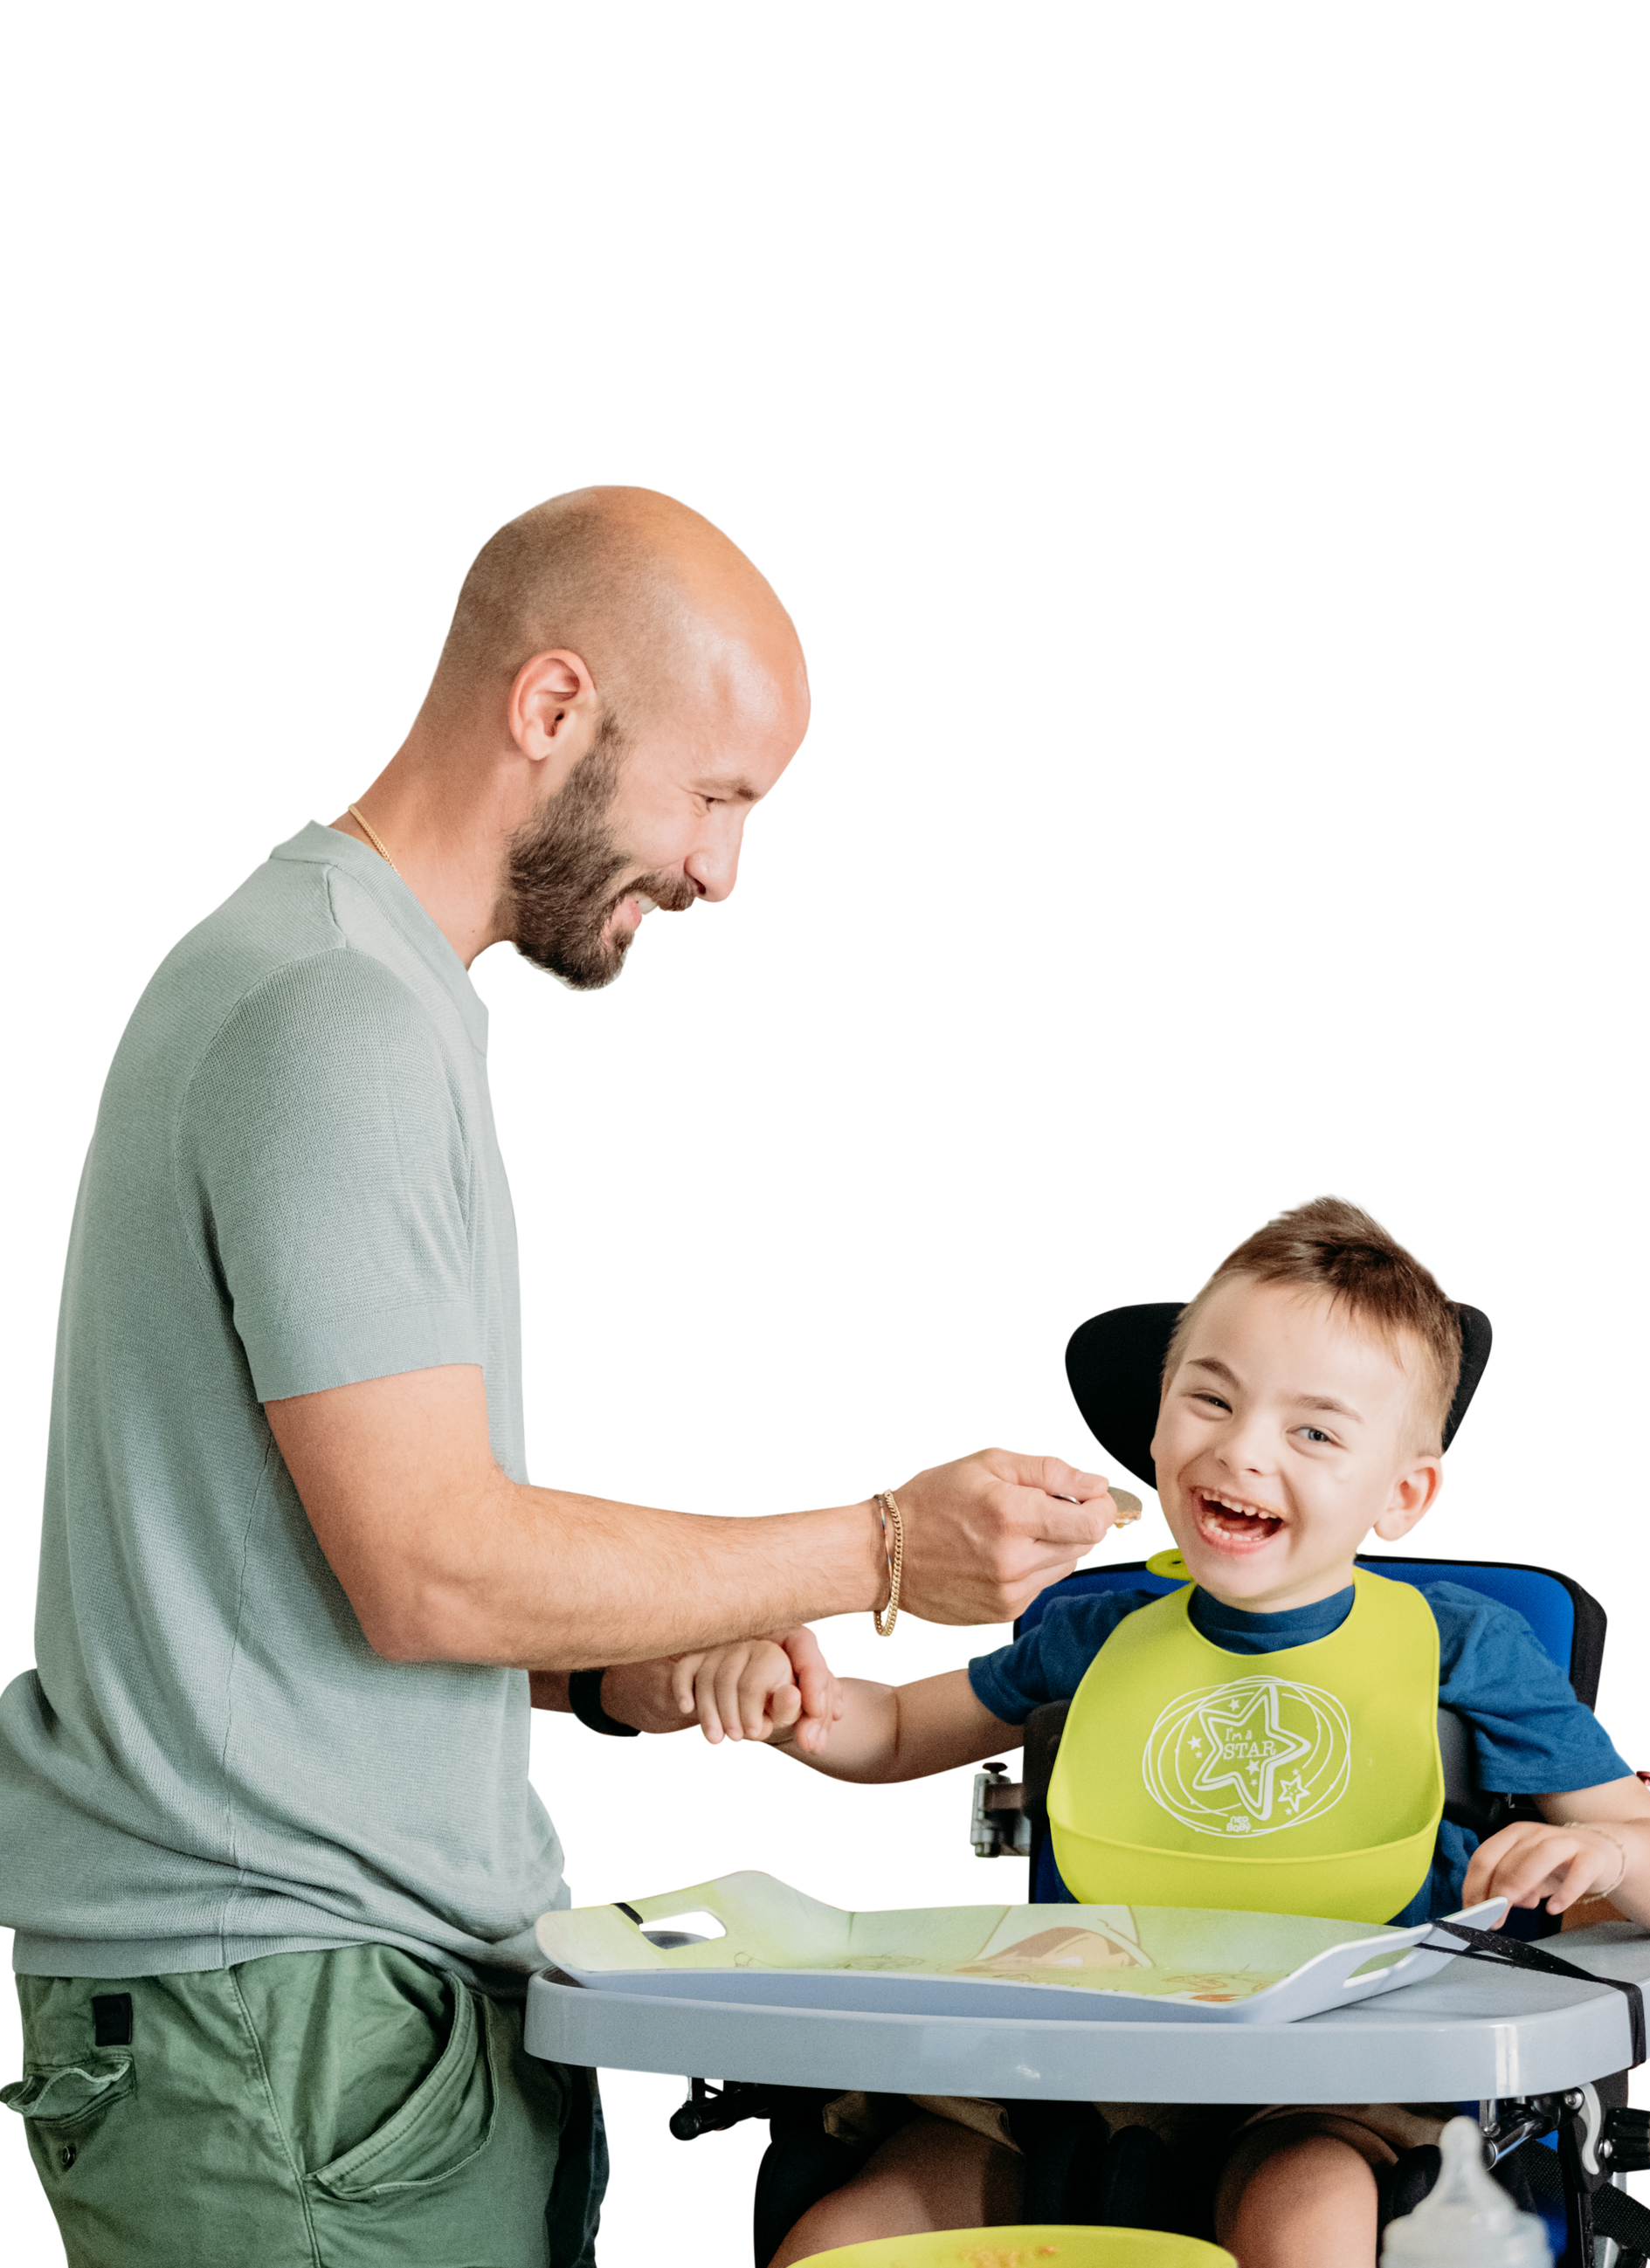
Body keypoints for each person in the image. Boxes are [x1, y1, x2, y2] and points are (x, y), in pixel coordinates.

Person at [0, 484, 1118, 2268]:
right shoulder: (333, 1013)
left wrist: (614, 1682)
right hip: (292, 2024)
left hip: (320, 2016)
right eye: (715, 796)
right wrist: (888, 1551)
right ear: (552, 707)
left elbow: (293, 1584)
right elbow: (432, 1562)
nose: (720, 871)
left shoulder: (356, 990)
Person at [639, 1194, 1650, 2268]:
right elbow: (896, 1729)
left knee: (1308, 2214)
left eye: (1313, 1430)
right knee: (843, 2233)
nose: (1242, 1452)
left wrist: (1605, 1847)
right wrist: (793, 1699)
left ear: (1405, 1494)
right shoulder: (1092, 1627)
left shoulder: (1468, 1648)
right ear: (1157, 1420)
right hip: (1072, 2065)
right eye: (1210, 1400)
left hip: (1332, 2083)